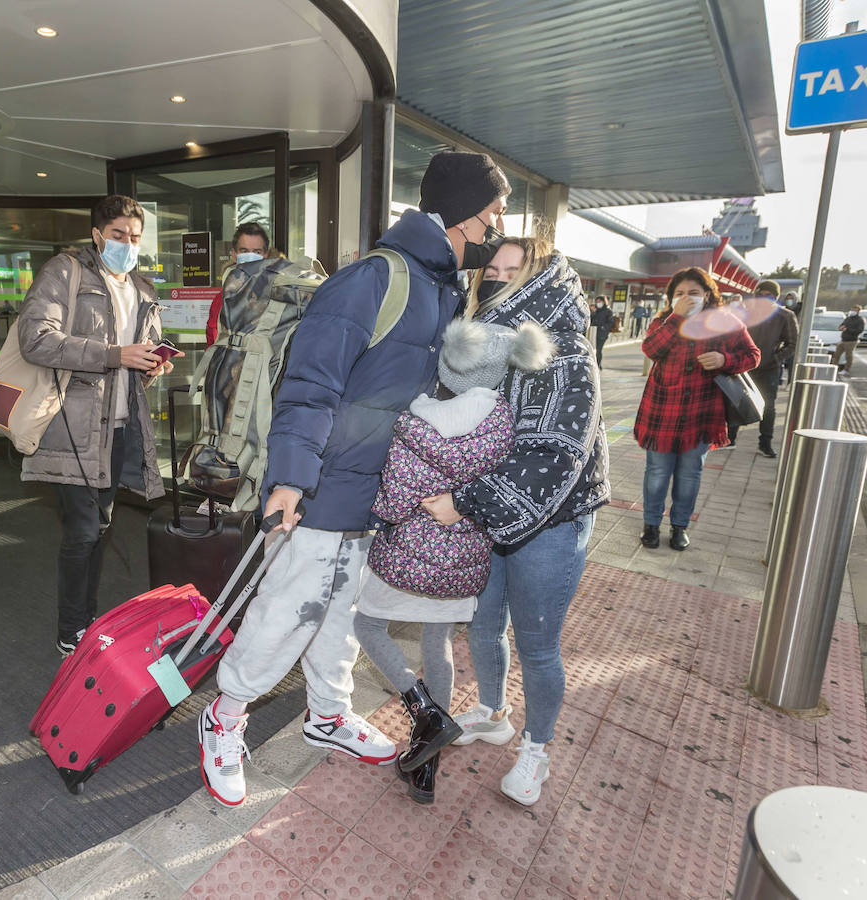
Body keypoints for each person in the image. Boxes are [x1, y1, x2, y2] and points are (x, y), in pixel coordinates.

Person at [199, 151, 510, 807]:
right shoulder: (374, 279)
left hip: (376, 492)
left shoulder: (444, 285)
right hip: (323, 486)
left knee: (342, 610)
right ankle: (224, 715)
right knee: (288, 610)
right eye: (493, 211)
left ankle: (328, 713)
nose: (499, 224)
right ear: (460, 213)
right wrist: (289, 478)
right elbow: (310, 383)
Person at [417, 234, 608, 808]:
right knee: (482, 625)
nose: (498, 279)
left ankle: (536, 749)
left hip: (552, 521)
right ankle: (492, 712)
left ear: (543, 275)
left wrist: (466, 501)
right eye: (491, 270)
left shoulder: (564, 350)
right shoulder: (494, 345)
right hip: (493, 509)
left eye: (514, 269)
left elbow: (554, 454)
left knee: (538, 645)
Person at [356, 317, 552, 803]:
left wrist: (381, 510)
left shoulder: (414, 422)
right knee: (437, 643)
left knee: (367, 626)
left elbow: (392, 501)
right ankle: (427, 765)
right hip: (461, 568)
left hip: (403, 558)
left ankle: (422, 707)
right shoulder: (505, 426)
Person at [16, 196, 179, 655]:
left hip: (120, 427)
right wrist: (114, 355)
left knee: (101, 527)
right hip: (72, 424)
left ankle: (85, 619)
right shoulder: (65, 273)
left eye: (133, 237)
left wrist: (151, 364)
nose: (127, 245)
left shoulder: (143, 290)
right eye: (117, 235)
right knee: (85, 530)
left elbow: (141, 350)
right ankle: (73, 630)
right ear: (97, 235)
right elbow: (37, 340)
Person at [636, 268, 759, 552]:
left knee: (690, 473)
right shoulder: (664, 321)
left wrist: (724, 359)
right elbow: (651, 349)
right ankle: (651, 525)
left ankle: (680, 527)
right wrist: (677, 316)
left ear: (708, 294)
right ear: (671, 297)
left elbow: (753, 355)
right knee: (656, 472)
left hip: (702, 411)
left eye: (693, 292)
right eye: (679, 293)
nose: (687, 298)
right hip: (662, 410)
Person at [727, 280, 797, 457]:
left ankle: (765, 443)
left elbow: (792, 344)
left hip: (768, 368)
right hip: (743, 366)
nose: (765, 298)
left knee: (768, 407)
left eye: (770, 295)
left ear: (776, 297)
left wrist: (775, 359)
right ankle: (730, 439)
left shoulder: (785, 316)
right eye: (761, 294)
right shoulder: (744, 313)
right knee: (736, 401)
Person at [206, 222, 273, 346]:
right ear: (234, 254)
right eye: (244, 251)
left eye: (257, 252)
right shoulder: (220, 300)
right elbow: (212, 344)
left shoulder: (278, 294)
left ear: (266, 255)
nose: (250, 256)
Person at [836, 305, 865, 374]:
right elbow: (842, 325)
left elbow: (859, 330)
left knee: (848, 355)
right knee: (837, 354)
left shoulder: (860, 320)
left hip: (851, 340)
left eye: (854, 310)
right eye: (852, 310)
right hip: (843, 339)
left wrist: (848, 330)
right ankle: (834, 367)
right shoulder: (848, 318)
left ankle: (846, 370)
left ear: (858, 311)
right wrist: (841, 327)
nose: (852, 311)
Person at [590, 295, 614, 367]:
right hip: (593, 332)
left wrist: (603, 327)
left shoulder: (608, 311)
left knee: (599, 349)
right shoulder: (596, 310)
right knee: (592, 349)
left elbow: (610, 322)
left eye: (600, 302)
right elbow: (591, 320)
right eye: (597, 302)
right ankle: (593, 364)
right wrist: (593, 312)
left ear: (604, 302)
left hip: (602, 334)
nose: (598, 303)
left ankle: (598, 364)